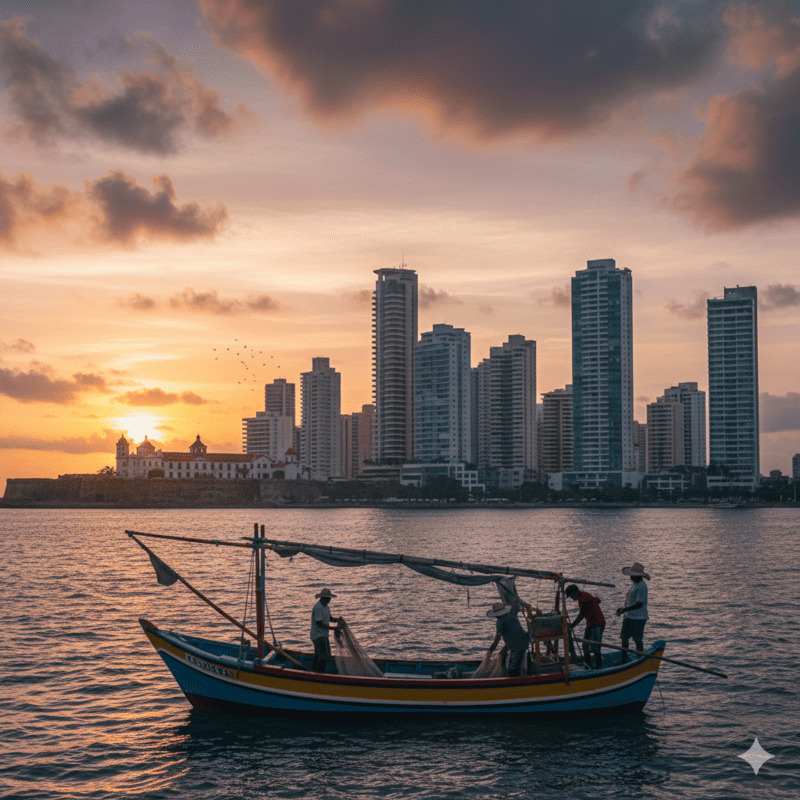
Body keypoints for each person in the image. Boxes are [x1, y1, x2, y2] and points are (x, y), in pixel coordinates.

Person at [565, 584, 606, 669]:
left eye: (571, 596)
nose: (572, 598)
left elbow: (581, 615)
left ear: (575, 592)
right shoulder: (582, 597)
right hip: (590, 624)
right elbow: (597, 601)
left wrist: (572, 625)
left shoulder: (584, 598)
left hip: (598, 624)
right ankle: (588, 664)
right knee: (585, 646)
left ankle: (599, 668)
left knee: (596, 648)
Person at [616, 562, 650, 662]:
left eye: (632, 575)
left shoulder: (642, 586)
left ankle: (640, 658)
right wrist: (623, 608)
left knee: (637, 639)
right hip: (629, 616)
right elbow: (630, 601)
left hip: (638, 617)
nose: (630, 576)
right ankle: (624, 658)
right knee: (624, 638)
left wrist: (625, 610)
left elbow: (639, 604)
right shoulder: (635, 584)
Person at [486, 601, 529, 677]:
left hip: (517, 646)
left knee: (513, 668)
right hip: (523, 641)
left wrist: (489, 651)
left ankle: (515, 683)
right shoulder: (512, 615)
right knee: (511, 662)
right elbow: (514, 633)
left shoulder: (500, 622)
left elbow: (497, 640)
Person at [310, 587, 341, 673]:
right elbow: (319, 624)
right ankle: (320, 674)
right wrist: (333, 628)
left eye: (330, 598)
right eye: (328, 598)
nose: (330, 600)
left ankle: (313, 672)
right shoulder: (318, 607)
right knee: (323, 657)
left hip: (323, 635)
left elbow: (330, 618)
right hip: (318, 635)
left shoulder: (326, 607)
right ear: (323, 598)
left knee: (318, 655)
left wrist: (337, 620)